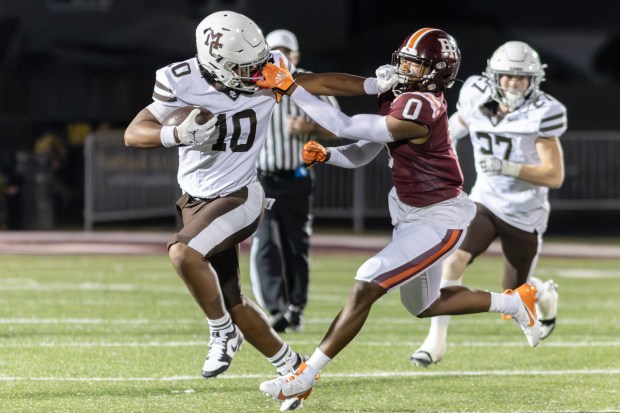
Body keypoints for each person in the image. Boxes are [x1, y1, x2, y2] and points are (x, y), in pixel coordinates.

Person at [255, 28, 543, 406]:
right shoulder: (403, 94)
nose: (404, 67)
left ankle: (305, 375)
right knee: (425, 305)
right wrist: (329, 154)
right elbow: (363, 146)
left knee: (366, 283)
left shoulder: (422, 106)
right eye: (404, 59)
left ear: (435, 72)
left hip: (439, 219)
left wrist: (292, 90)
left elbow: (344, 125)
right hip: (412, 213)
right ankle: (516, 303)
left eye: (415, 63)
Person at [123, 10, 389, 411]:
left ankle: (220, 333)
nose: (257, 71)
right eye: (244, 66)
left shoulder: (267, 68)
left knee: (183, 253)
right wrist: (174, 133)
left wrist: (372, 83)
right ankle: (293, 370)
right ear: (215, 63)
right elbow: (133, 132)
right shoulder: (179, 78)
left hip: (240, 195)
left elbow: (316, 82)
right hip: (194, 200)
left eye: (258, 61)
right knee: (234, 302)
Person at [410, 41, 566, 367]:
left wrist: (510, 168)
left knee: (514, 289)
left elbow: (554, 175)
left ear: (534, 80)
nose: (513, 83)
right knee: (453, 262)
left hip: (525, 212)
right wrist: (431, 147)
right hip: (485, 201)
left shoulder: (543, 112)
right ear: (493, 75)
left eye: (521, 78)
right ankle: (434, 343)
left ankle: (546, 296)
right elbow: (458, 124)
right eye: (507, 76)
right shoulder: (476, 94)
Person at [250, 29, 340, 333]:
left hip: (298, 177)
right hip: (262, 177)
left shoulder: (310, 82)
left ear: (296, 56)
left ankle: (295, 308)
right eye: (274, 50)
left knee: (296, 246)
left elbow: (338, 126)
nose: (281, 56)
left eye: (286, 51)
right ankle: (274, 310)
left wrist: (310, 125)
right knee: (265, 243)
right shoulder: (255, 82)